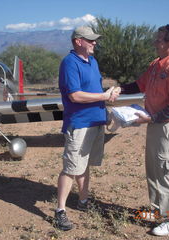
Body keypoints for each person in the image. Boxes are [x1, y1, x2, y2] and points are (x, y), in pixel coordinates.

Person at [121, 24, 169, 236]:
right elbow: (139, 85)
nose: (155, 43)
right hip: (153, 125)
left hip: (166, 127)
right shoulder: (156, 65)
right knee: (153, 170)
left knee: (166, 173)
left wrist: (152, 117)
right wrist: (119, 89)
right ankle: (157, 211)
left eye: (159, 40)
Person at [55, 26, 120, 231]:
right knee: (71, 168)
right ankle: (60, 211)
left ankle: (83, 202)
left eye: (94, 40)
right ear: (78, 41)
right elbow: (75, 95)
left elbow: (93, 91)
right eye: (90, 40)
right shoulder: (69, 63)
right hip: (80, 124)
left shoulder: (92, 61)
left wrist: (107, 104)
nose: (94, 43)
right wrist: (103, 96)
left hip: (95, 122)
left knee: (84, 165)